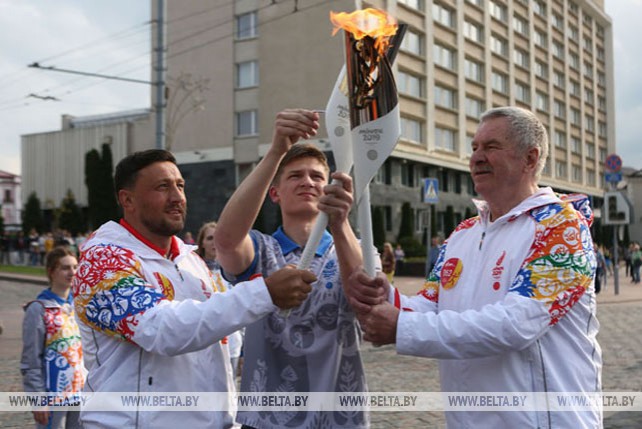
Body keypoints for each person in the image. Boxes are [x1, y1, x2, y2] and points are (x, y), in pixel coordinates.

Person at [345, 107, 601, 428]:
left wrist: (400, 328)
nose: (477, 157)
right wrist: (388, 298)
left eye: (491, 147)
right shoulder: (463, 233)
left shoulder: (561, 228)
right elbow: (429, 305)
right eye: (475, 147)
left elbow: (516, 325)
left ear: (530, 159)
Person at [72, 149, 315, 428]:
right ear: (128, 199)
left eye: (180, 186)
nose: (177, 197)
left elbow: (217, 338)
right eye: (163, 187)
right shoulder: (102, 261)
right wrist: (265, 293)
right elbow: (164, 330)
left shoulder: (192, 262)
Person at [215, 109, 373, 429]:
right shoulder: (261, 250)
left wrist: (341, 224)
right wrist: (276, 152)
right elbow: (227, 242)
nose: (307, 182)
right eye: (295, 175)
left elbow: (366, 295)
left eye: (317, 176)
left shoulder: (355, 249)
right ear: (274, 193)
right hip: (267, 419)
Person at [21, 246, 86, 429]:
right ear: (51, 272)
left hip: (79, 392)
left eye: (75, 267)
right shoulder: (38, 309)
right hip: (53, 394)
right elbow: (31, 359)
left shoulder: (79, 306)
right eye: (65, 268)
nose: (72, 272)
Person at [196, 220, 244, 378]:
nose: (214, 242)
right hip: (204, 345)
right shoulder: (192, 270)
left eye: (218, 237)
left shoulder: (235, 269)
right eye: (209, 238)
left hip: (232, 344)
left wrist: (244, 348)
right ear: (202, 243)